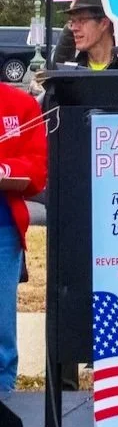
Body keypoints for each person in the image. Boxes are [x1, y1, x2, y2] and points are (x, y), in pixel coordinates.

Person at [0, 83, 47, 395]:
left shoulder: (20, 103)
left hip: (3, 231)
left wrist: (4, 168)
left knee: (1, 327)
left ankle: (4, 397)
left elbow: (38, 169)